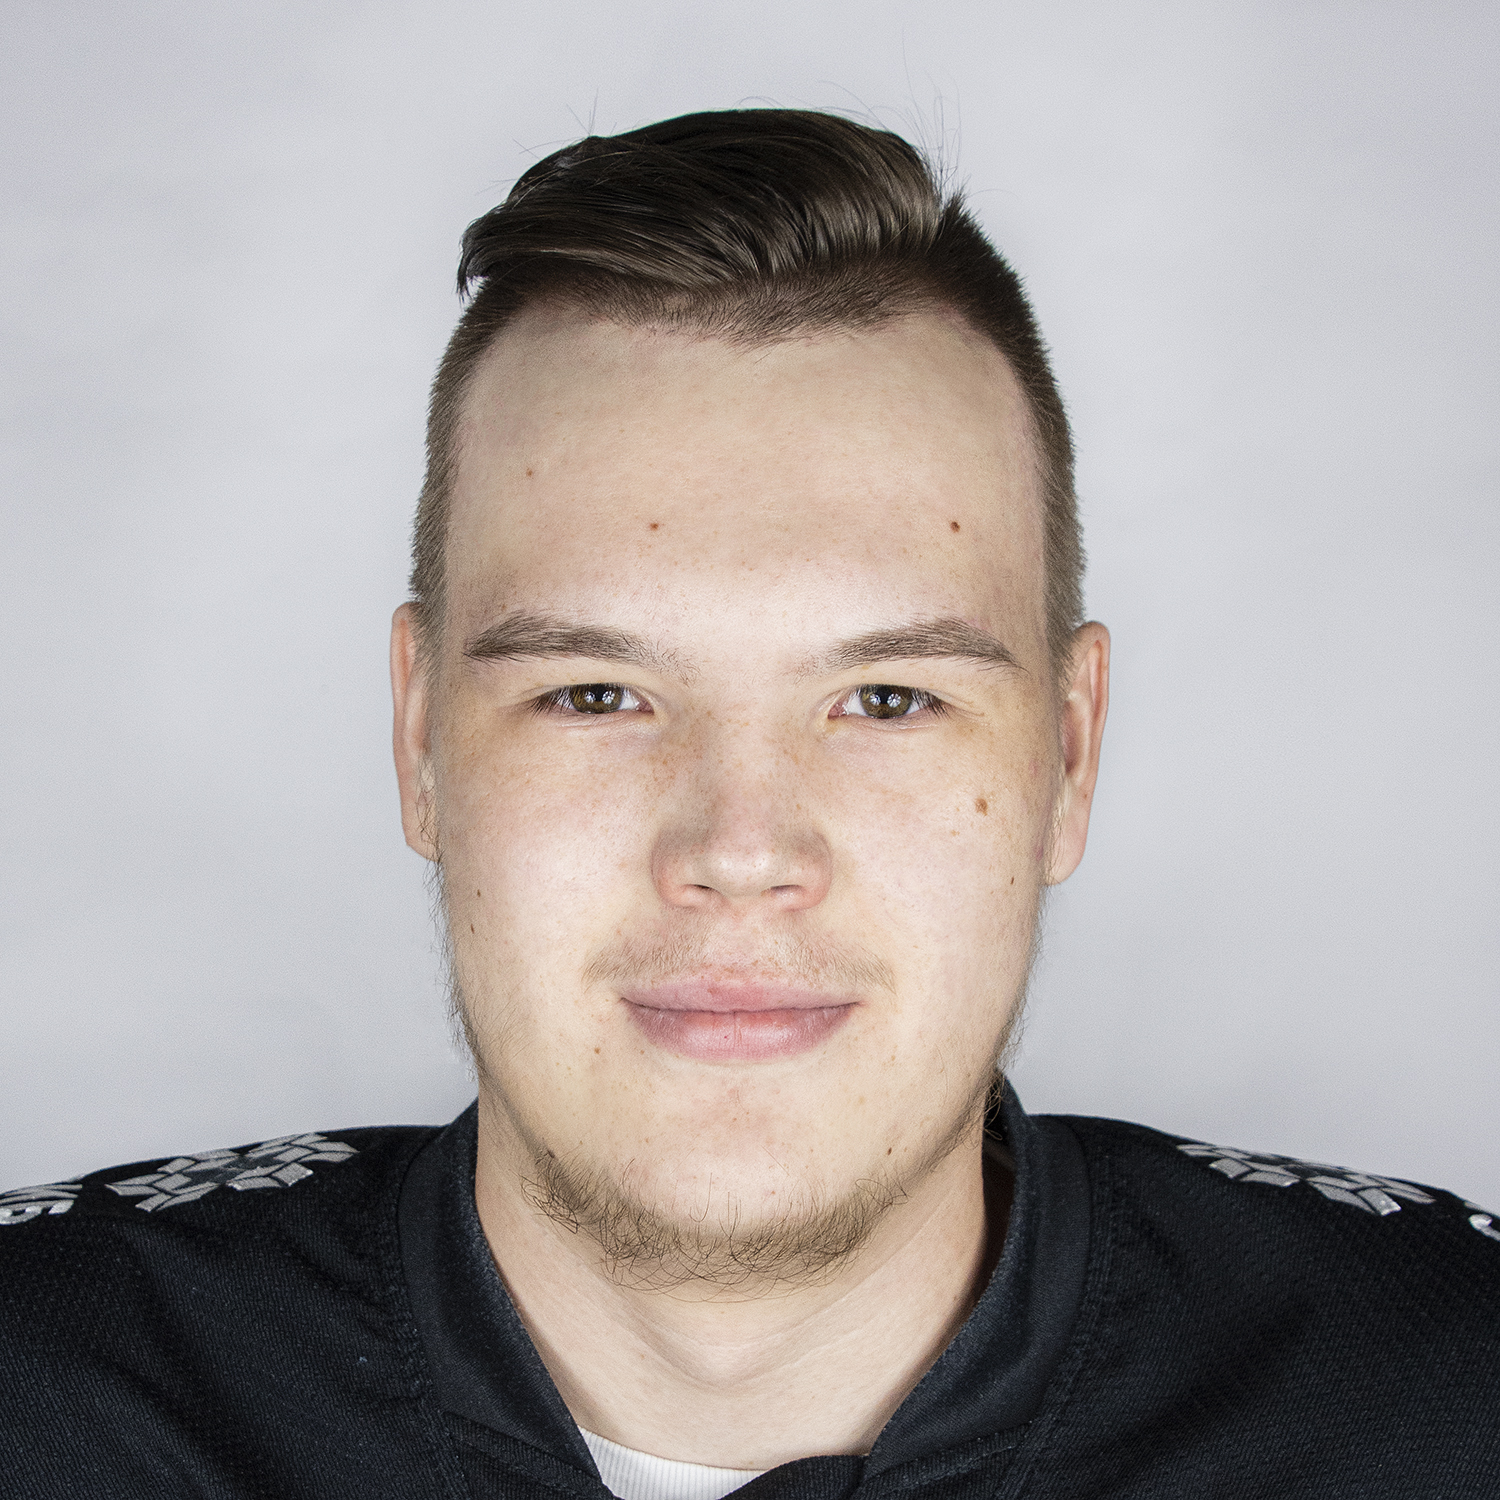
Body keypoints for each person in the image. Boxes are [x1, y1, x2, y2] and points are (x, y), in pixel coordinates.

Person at [2, 109, 1495, 1500]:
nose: (738, 850)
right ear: (420, 740)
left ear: (1068, 755)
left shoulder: (1453, 1391)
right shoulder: (41, 1388)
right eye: (597, 694)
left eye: (888, 699)